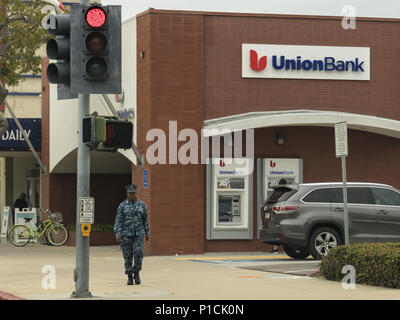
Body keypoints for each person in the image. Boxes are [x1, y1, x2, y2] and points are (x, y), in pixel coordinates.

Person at [113, 184, 150, 285]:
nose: (131, 195)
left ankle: (136, 272)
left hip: (139, 233)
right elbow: (118, 220)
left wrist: (147, 232)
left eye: (133, 193)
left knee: (138, 253)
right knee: (127, 255)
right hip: (126, 234)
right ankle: (129, 276)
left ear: (135, 193)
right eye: (130, 193)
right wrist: (118, 232)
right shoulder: (122, 206)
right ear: (127, 194)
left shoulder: (142, 205)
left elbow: (145, 220)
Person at [271, 178, 287, 254]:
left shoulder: (276, 192)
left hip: (277, 214)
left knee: (276, 231)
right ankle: (286, 249)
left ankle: (275, 249)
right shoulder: (288, 192)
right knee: (285, 231)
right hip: (286, 214)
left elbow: (272, 202)